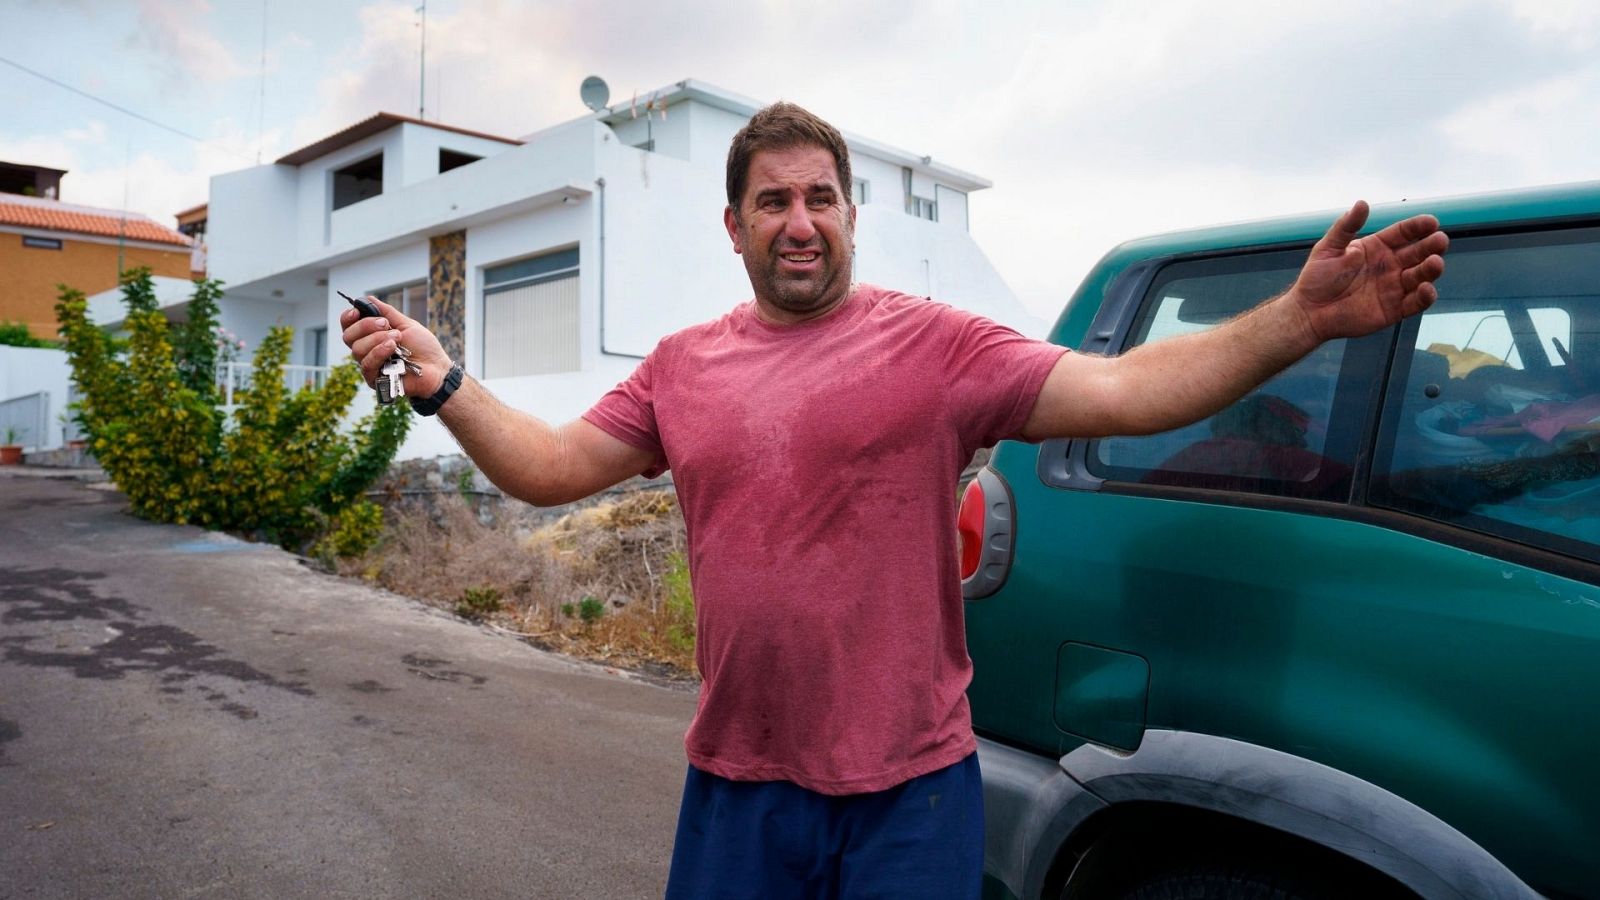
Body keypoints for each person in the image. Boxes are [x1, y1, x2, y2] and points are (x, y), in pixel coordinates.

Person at [341, 102, 1448, 899]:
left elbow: (1125, 389)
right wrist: (442, 379)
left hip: (909, 793)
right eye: (771, 200)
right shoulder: (679, 368)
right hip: (737, 784)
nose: (798, 220)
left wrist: (1294, 323)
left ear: (851, 214)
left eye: (819, 196)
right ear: (734, 227)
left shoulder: (935, 346)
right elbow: (549, 467)